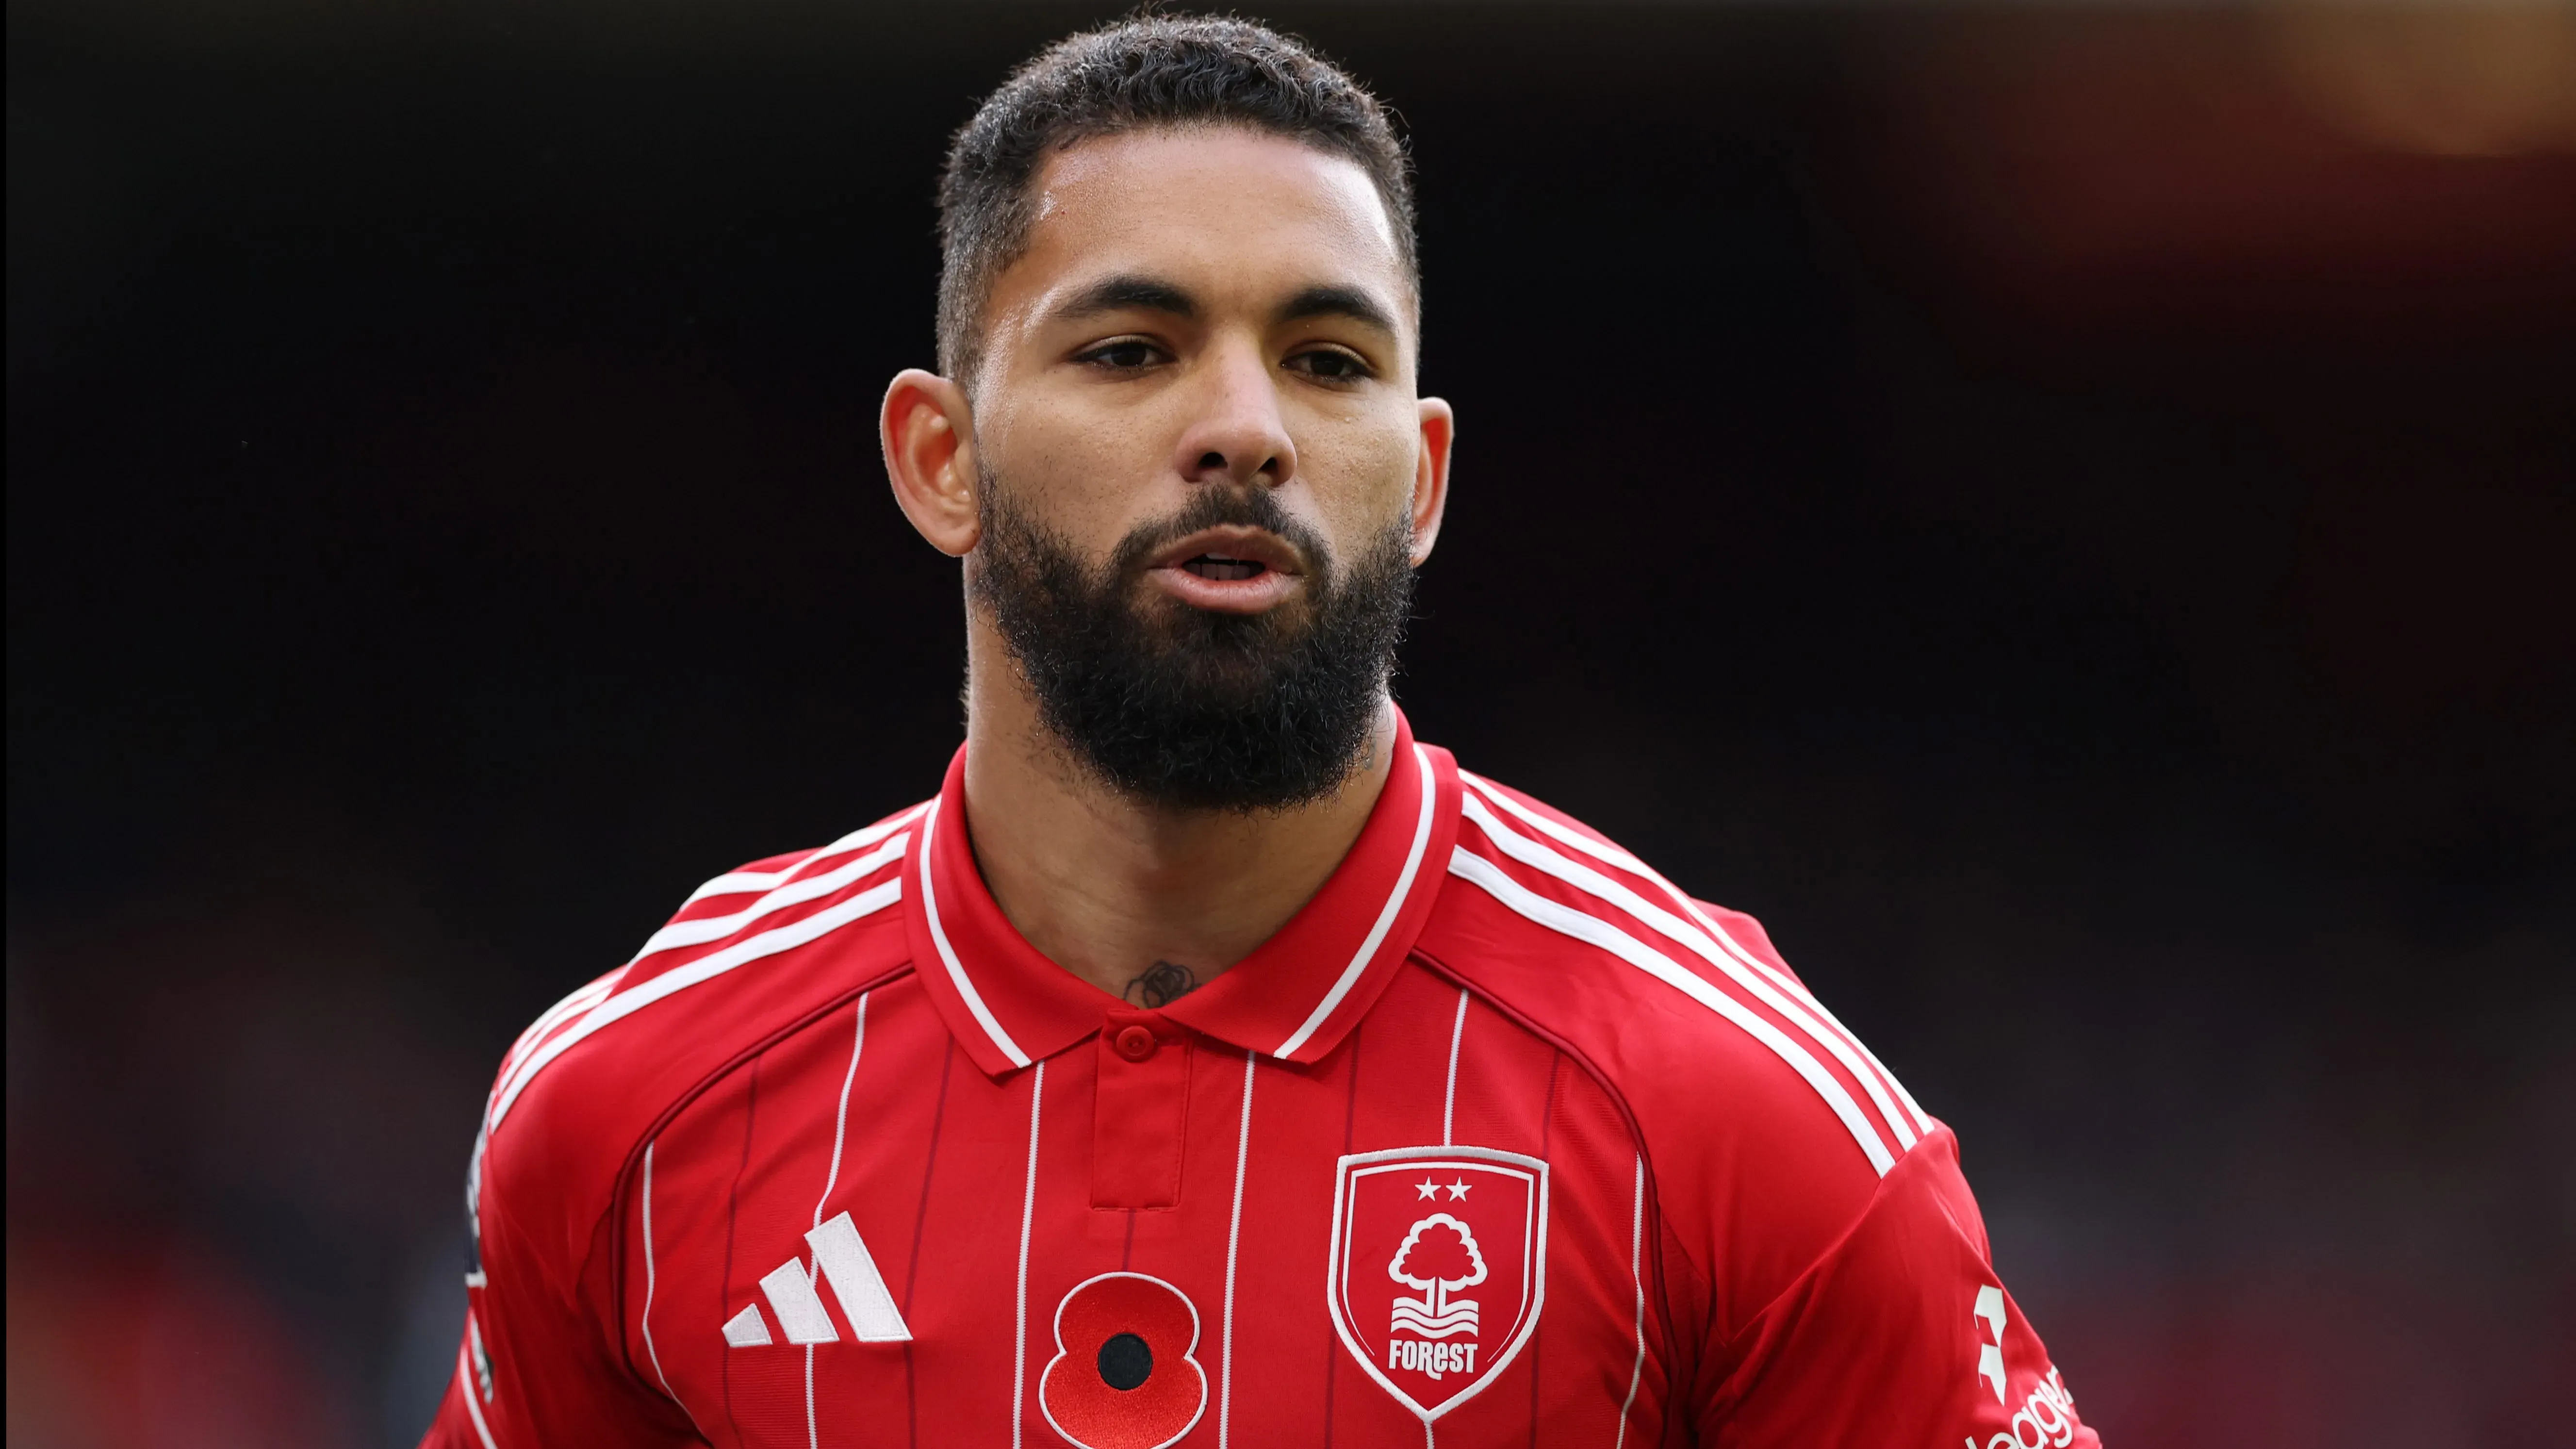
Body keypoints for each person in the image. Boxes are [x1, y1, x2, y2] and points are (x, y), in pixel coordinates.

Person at [422, 15, 2101, 1448]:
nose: (1244, 430)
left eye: (1326, 360)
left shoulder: (1739, 1115)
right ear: (940, 458)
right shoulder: (630, 1103)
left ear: (1423, 478)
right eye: (1134, 349)